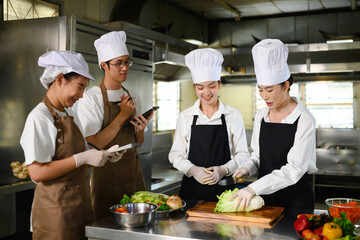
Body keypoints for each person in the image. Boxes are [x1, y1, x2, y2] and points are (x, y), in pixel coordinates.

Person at [20, 51, 124, 239]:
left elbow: (70, 160)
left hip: (79, 208)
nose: (82, 95)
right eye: (80, 87)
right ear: (60, 79)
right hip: (55, 215)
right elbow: (37, 172)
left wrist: (102, 156)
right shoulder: (39, 118)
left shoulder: (66, 115)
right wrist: (82, 158)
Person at [230, 39, 317, 210]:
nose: (264, 96)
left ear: (285, 85)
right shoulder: (262, 115)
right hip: (264, 200)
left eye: (269, 90)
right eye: (260, 89)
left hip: (295, 201)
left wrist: (252, 188)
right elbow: (258, 156)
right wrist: (247, 168)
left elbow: (294, 169)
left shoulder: (304, 119)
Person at [77, 31, 152, 221]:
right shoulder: (90, 98)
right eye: (118, 63)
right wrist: (123, 116)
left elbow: (138, 142)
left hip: (133, 175)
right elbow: (94, 143)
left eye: (127, 62)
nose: (124, 67)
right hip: (105, 178)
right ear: (104, 65)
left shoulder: (133, 95)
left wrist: (140, 130)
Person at [168, 48, 249, 202]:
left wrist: (224, 169)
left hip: (224, 193)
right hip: (191, 193)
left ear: (219, 84)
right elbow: (175, 155)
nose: (206, 92)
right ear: (195, 87)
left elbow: (243, 154)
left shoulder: (233, 115)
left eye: (212, 86)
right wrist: (192, 169)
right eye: (200, 87)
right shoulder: (186, 117)